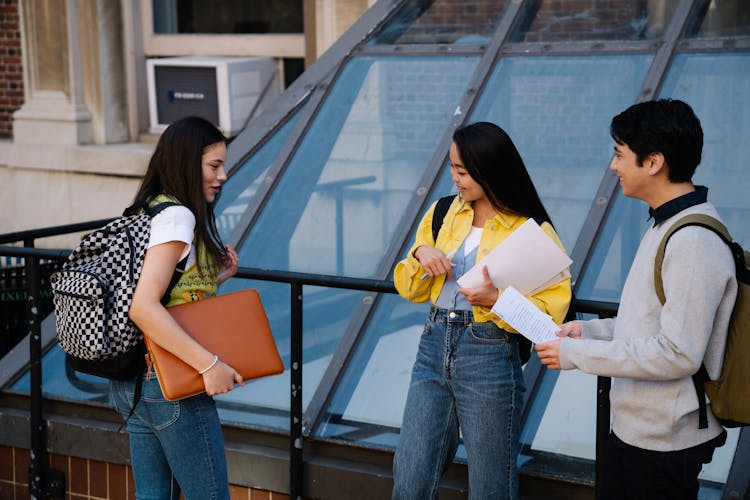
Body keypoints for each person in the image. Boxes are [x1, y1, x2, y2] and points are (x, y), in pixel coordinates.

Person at [535, 99, 737, 500]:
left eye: (619, 154)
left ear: (654, 162)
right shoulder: (668, 224)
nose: (614, 166)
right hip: (640, 430)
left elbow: (677, 353)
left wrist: (576, 354)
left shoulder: (692, 241)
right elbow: (652, 324)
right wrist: (589, 330)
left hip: (665, 442)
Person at [392, 121, 572, 499]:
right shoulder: (443, 212)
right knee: (409, 478)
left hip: (490, 352)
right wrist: (419, 253)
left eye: (462, 170)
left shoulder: (530, 228)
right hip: (432, 344)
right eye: (452, 168)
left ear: (490, 169)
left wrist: (496, 300)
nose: (454, 178)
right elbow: (409, 287)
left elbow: (550, 318)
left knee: (491, 486)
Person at [110, 116, 243, 500]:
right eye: (214, 166)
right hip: (171, 383)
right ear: (187, 162)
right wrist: (209, 365)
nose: (222, 176)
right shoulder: (179, 217)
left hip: (134, 380)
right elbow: (144, 307)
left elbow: (163, 292)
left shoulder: (148, 208)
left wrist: (214, 279)